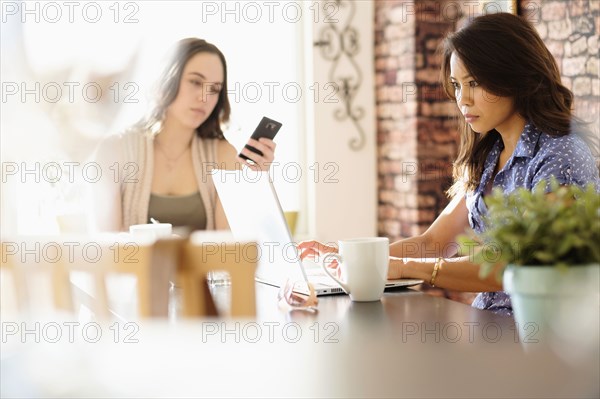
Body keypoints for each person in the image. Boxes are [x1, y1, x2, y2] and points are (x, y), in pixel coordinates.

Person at [298, 13, 600, 316]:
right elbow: (434, 242)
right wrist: (349, 257)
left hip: (540, 335)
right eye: (456, 85)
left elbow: (515, 264)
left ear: (515, 76)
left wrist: (404, 267)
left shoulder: (561, 155)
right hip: (489, 326)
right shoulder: (491, 152)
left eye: (475, 83)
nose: (463, 100)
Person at [93, 38, 276, 232]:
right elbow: (108, 245)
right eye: (195, 82)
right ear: (166, 81)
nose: (204, 98)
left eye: (214, 89)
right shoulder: (113, 151)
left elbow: (228, 247)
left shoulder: (224, 156)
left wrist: (255, 182)